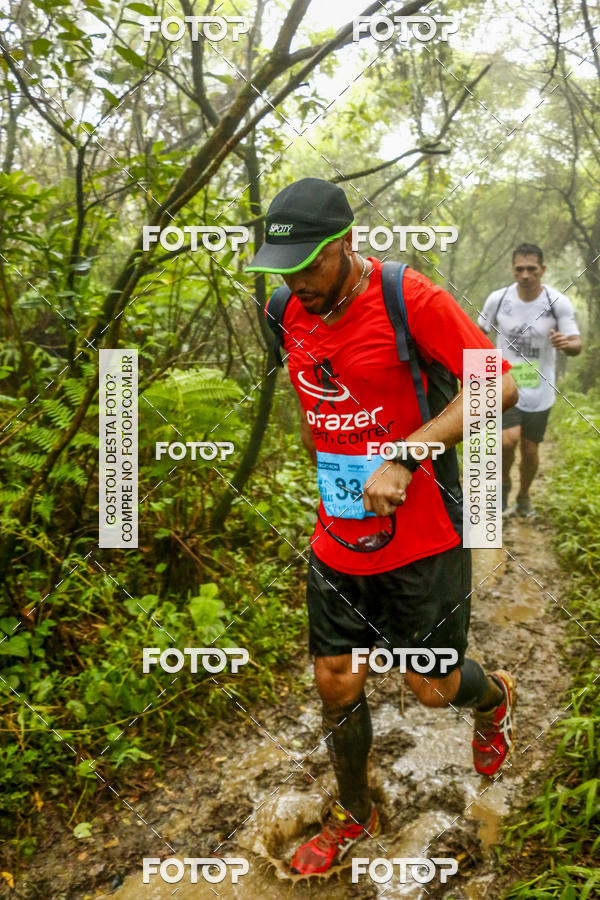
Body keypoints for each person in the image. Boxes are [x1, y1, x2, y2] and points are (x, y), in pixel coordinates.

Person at [246, 178, 519, 876]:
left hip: (422, 532)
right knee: (336, 679)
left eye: (311, 263)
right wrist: (331, 476)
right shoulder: (283, 308)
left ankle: (494, 700)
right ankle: (355, 812)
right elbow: (317, 404)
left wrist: (405, 454)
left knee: (429, 685)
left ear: (347, 243)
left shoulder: (409, 297)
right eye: (286, 269)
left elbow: (498, 384)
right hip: (338, 533)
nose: (298, 281)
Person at [478, 244, 582, 516]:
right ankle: (503, 487)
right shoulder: (498, 299)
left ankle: (523, 496)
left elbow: (576, 344)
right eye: (519, 269)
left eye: (531, 269)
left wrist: (565, 344)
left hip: (540, 389)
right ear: (513, 270)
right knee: (506, 441)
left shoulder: (557, 302)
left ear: (542, 270)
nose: (525, 275)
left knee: (530, 450)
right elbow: (478, 334)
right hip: (506, 384)